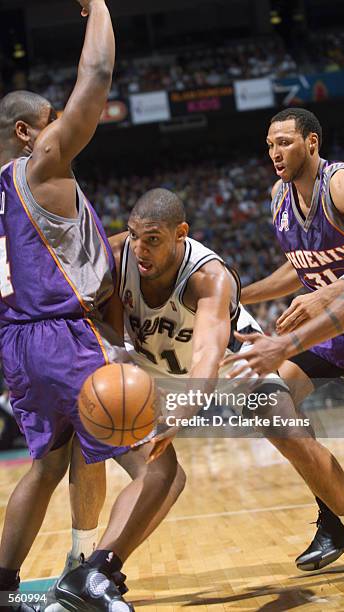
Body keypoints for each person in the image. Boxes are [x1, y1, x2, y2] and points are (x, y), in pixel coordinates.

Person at [90, 187, 344, 587]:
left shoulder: (209, 277)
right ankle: (97, 568)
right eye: (134, 236)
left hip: (230, 358)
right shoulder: (118, 256)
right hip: (154, 365)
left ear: (180, 233)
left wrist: (181, 412)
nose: (140, 249)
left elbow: (206, 356)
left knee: (287, 432)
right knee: (157, 470)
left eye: (152, 239)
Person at [0, 2, 184, 611]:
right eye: (51, 121)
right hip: (61, 336)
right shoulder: (41, 166)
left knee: (50, 465)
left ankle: (2, 588)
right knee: (162, 467)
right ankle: (94, 580)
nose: (63, 131)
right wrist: (99, 5)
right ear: (27, 133)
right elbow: (98, 74)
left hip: (17, 346)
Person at [223, 108, 344, 573]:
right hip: (340, 327)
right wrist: (239, 291)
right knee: (267, 400)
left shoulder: (341, 183)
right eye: (269, 144)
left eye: (284, 142)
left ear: (311, 144)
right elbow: (300, 265)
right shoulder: (278, 198)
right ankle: (337, 518)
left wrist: (322, 293)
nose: (274, 152)